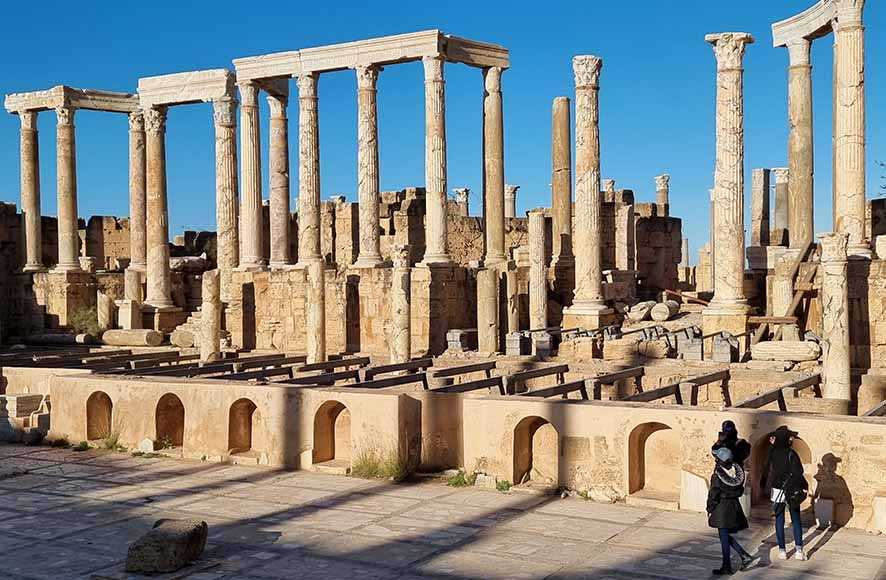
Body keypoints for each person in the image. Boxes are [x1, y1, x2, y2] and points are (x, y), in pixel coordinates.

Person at [707, 447, 759, 575]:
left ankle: (729, 565)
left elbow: (713, 494)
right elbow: (740, 491)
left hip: (721, 509)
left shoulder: (717, 476)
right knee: (724, 536)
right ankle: (743, 557)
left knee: (724, 538)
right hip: (734, 507)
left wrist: (709, 508)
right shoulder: (737, 473)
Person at [760, 426, 808, 560]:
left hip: (777, 489)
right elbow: (799, 473)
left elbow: (766, 469)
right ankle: (799, 551)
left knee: (779, 520)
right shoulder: (791, 454)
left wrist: (762, 485)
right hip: (791, 489)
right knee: (796, 519)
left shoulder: (772, 452)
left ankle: (782, 551)